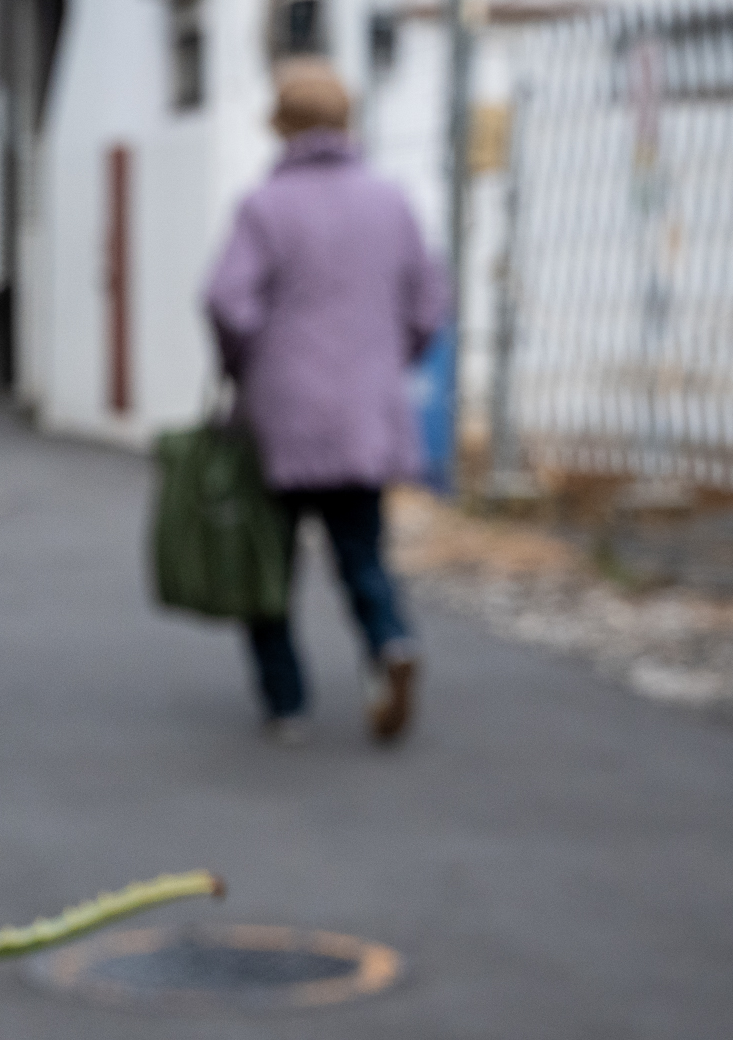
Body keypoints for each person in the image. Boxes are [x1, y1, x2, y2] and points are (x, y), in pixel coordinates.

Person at [203, 58, 448, 744]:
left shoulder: (264, 205)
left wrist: (245, 363)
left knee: (267, 567)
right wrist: (386, 359)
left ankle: (288, 707)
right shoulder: (391, 200)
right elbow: (431, 303)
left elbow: (226, 300)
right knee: (362, 554)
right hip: (364, 415)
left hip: (280, 416)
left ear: (281, 125)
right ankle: (391, 644)